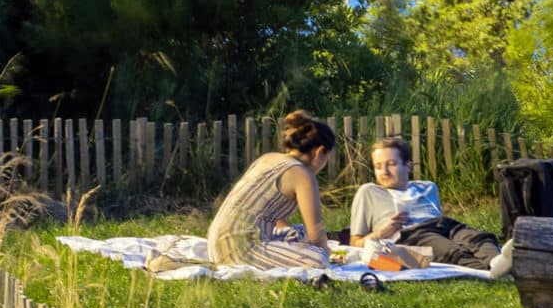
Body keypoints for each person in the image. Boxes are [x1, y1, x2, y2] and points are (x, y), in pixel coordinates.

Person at [349, 134, 513, 275]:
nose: (384, 171)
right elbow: (355, 243)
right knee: (449, 250)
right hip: (411, 233)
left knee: (479, 238)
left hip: (443, 224)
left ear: (408, 166)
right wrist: (382, 232)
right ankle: (493, 272)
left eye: (391, 164)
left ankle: (497, 262)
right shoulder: (369, 192)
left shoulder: (427, 187)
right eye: (378, 166)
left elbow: (438, 218)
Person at [207, 110, 337, 268]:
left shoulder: (268, 158)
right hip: (239, 247)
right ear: (319, 152)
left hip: (216, 241)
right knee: (318, 259)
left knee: (299, 233)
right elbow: (315, 232)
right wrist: (326, 253)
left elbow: (275, 216)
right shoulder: (303, 175)